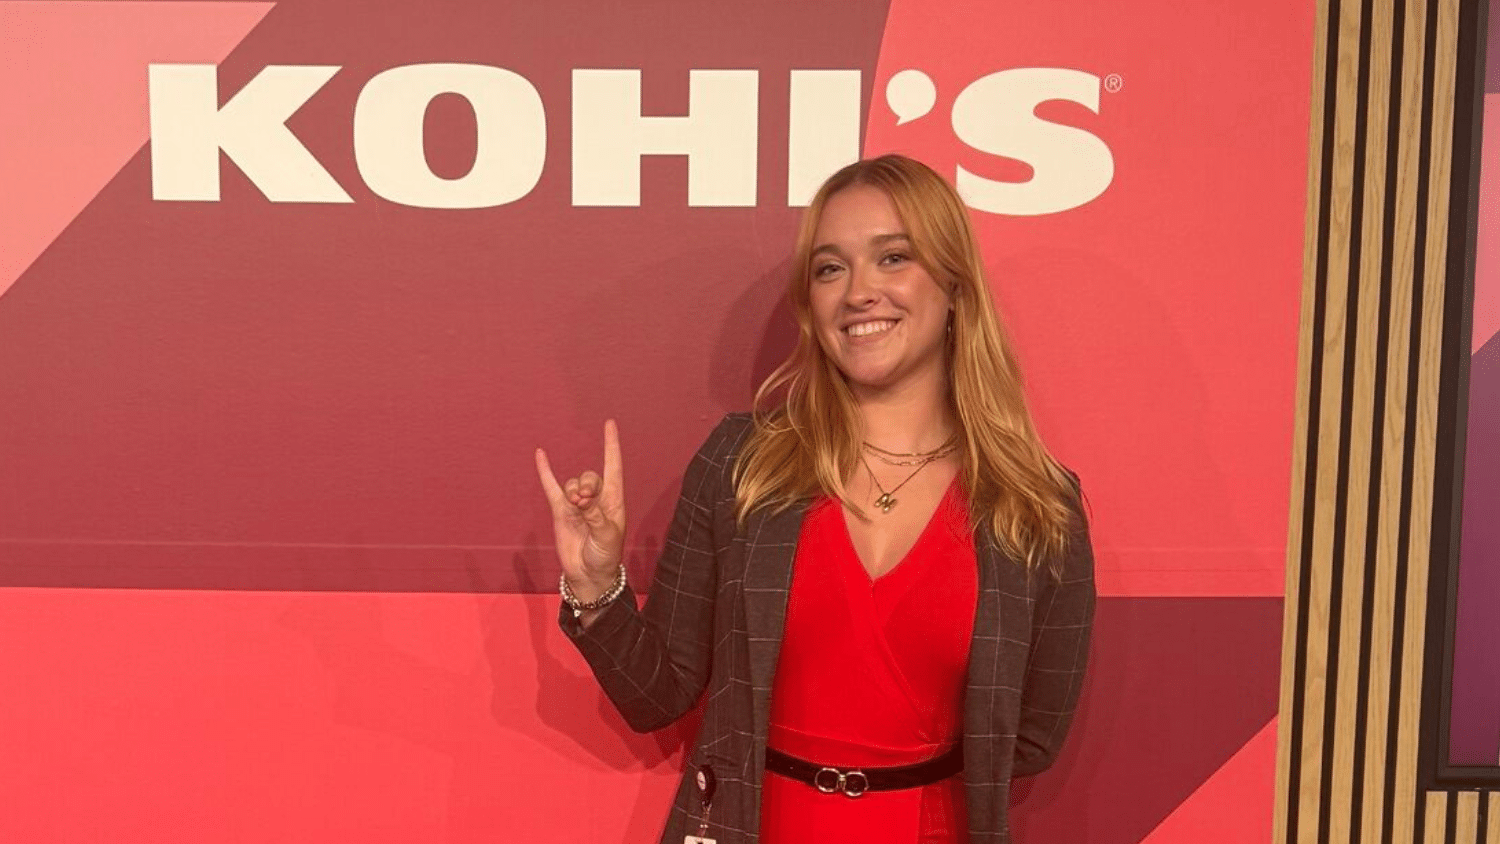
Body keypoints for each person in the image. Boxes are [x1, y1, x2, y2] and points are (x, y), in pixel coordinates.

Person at [535, 154, 1095, 844]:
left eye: (893, 258)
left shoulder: (1038, 502)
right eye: (831, 269)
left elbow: (1030, 736)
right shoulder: (741, 462)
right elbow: (659, 694)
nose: (859, 291)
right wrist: (595, 587)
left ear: (953, 283)